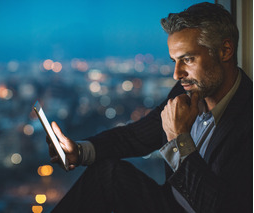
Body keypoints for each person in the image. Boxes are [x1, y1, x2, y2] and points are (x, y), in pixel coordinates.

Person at [46, 2, 253, 213]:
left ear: (225, 50)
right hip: (169, 203)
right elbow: (136, 136)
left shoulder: (249, 117)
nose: (176, 74)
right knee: (107, 174)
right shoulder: (185, 92)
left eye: (188, 59)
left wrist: (179, 139)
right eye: (174, 60)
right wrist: (79, 151)